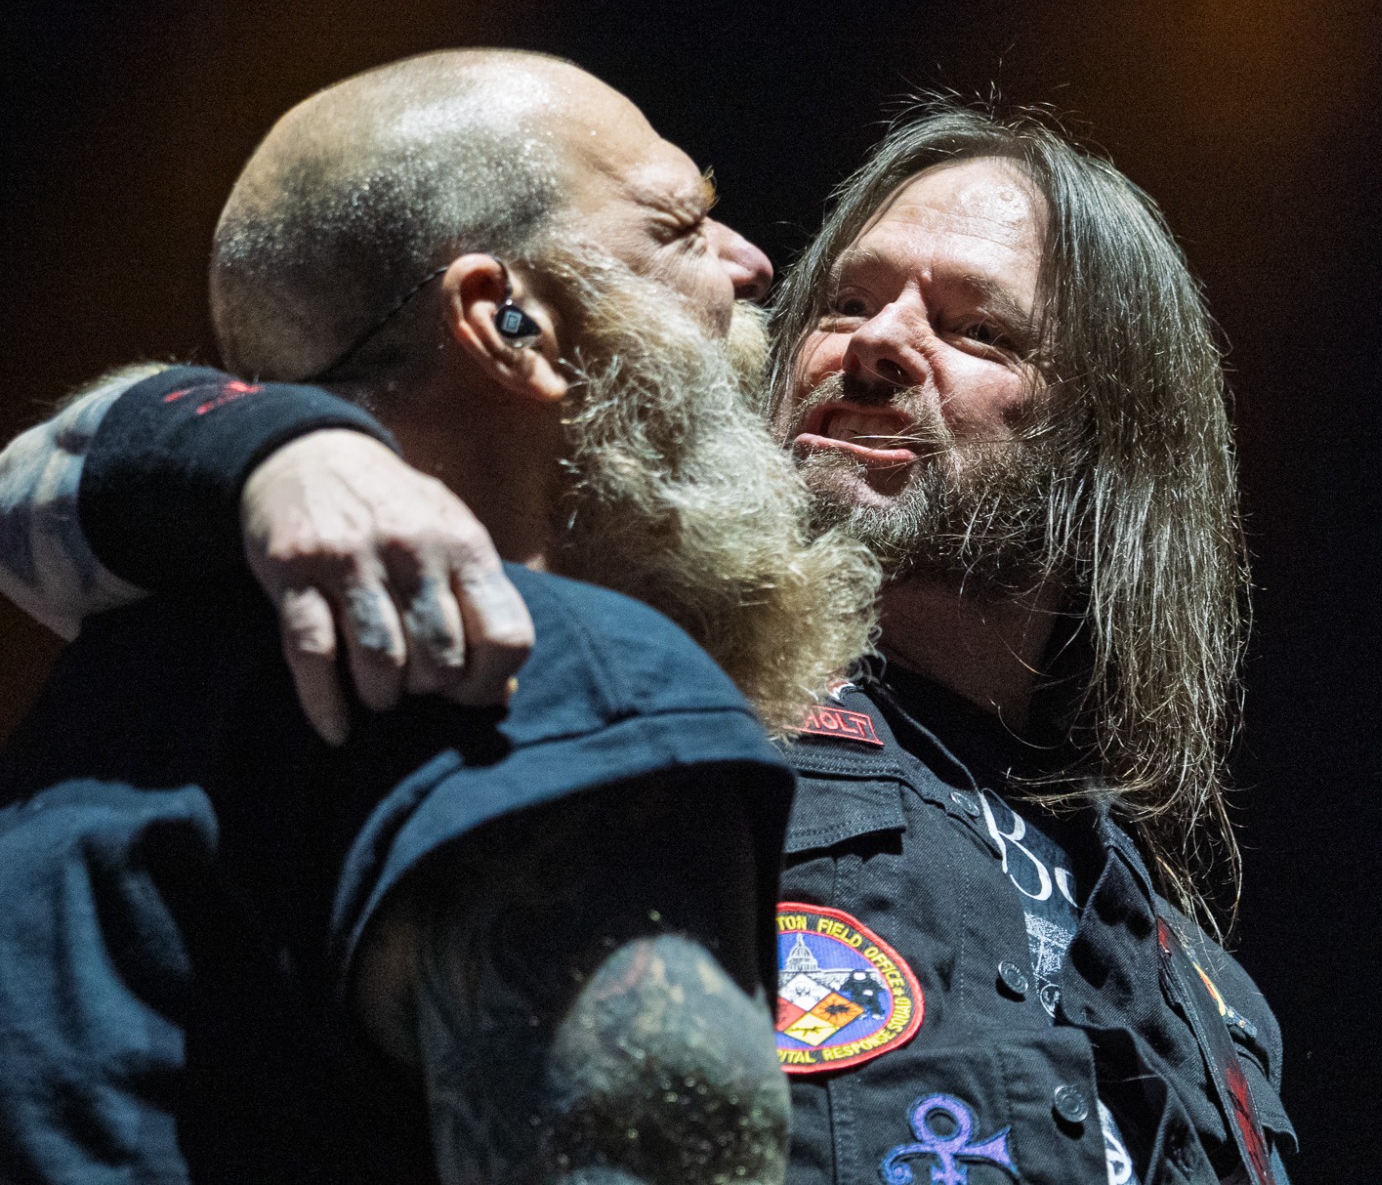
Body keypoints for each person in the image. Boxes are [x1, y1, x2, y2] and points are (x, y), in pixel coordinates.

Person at [0, 100, 1295, 1184]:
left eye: (975, 329)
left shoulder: (1202, 984)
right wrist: (284, 453)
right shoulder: (633, 671)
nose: (876, 344)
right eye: (844, 300)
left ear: (1109, 438)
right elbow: (52, 478)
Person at [0, 49, 878, 1183]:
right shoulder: (572, 684)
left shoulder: (106, 684)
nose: (752, 264)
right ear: (508, 323)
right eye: (680, 227)